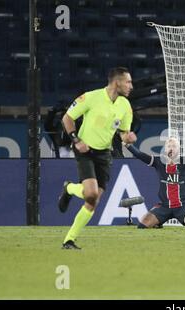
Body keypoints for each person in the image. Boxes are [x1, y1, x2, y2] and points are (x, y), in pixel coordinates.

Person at [58, 67, 137, 249]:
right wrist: (75, 140)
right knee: (91, 193)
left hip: (103, 154)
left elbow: (123, 133)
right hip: (84, 149)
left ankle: (69, 240)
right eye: (128, 82)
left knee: (93, 200)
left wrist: (128, 137)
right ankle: (68, 188)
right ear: (117, 82)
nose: (131, 86)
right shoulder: (91, 97)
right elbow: (67, 118)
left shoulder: (125, 105)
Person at [125, 137, 185, 229]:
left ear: (178, 149)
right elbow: (139, 154)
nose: (171, 148)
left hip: (183, 206)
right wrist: (127, 145)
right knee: (142, 225)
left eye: (174, 146)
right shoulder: (159, 162)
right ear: (165, 149)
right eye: (169, 146)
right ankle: (158, 223)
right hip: (165, 206)